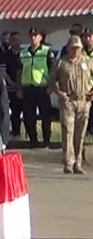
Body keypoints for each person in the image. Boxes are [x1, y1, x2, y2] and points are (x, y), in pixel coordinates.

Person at [48, 35, 93, 174]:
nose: (75, 51)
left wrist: (91, 94)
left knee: (80, 133)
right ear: (68, 48)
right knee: (68, 131)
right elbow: (51, 80)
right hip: (68, 101)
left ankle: (78, 162)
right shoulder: (61, 63)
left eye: (78, 48)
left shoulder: (88, 61)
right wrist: (59, 93)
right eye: (73, 48)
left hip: (84, 101)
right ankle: (68, 162)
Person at [20, 28, 56, 147]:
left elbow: (53, 71)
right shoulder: (23, 53)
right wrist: (19, 88)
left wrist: (51, 86)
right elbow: (19, 71)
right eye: (31, 35)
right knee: (28, 116)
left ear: (41, 37)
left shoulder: (46, 51)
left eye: (36, 35)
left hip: (42, 88)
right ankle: (33, 139)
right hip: (28, 88)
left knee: (46, 115)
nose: (33, 37)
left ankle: (46, 140)